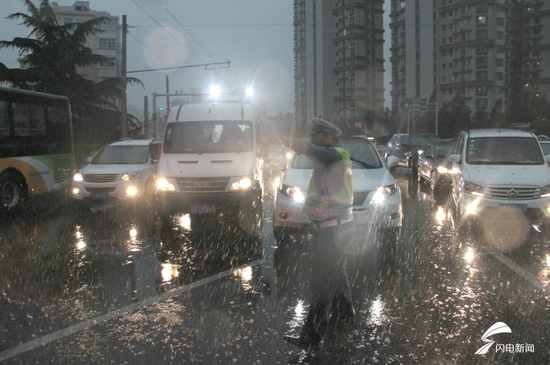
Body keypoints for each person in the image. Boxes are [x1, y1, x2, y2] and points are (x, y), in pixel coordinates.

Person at [264, 117, 355, 347]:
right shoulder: (334, 157)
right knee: (336, 274)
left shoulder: (332, 155)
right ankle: (345, 316)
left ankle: (310, 338)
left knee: (320, 285)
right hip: (338, 229)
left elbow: (305, 148)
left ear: (329, 137)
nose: (313, 139)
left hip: (332, 233)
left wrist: (280, 138)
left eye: (317, 135)